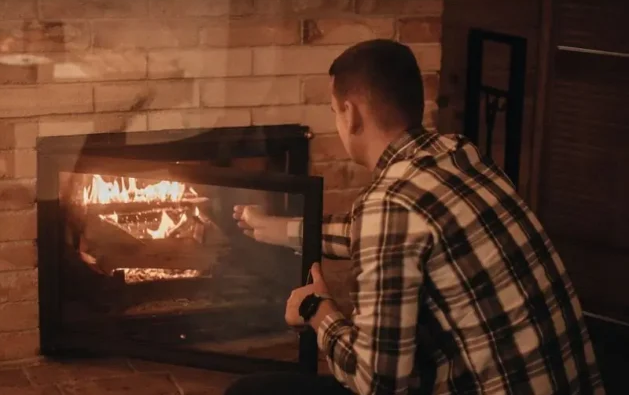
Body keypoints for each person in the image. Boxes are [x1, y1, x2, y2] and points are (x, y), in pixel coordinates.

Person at [225, 40, 603, 395]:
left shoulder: (389, 204)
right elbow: (389, 232)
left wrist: (317, 310)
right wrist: (284, 229)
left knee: (250, 392)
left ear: (351, 114)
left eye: (334, 111)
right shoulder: (458, 154)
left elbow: (377, 383)